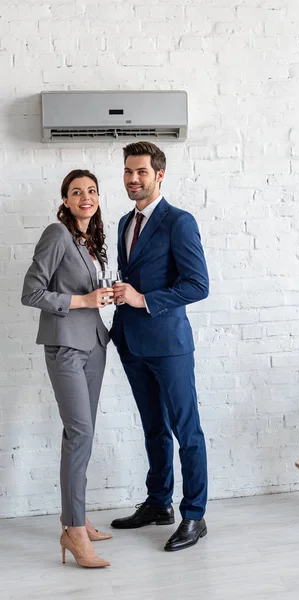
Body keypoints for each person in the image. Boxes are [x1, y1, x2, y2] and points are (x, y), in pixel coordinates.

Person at [110, 141, 209, 552]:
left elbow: (198, 284)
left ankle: (194, 515)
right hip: (131, 341)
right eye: (129, 172)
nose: (134, 179)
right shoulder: (122, 222)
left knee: (185, 429)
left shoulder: (178, 222)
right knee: (153, 427)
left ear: (159, 175)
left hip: (168, 344)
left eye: (142, 173)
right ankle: (158, 503)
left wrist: (144, 299)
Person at [21, 169, 113, 568]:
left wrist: (104, 297)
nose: (86, 197)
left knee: (81, 436)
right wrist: (83, 301)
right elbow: (32, 291)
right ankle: (74, 532)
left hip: (94, 345)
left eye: (91, 191)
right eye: (77, 192)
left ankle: (75, 516)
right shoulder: (57, 234)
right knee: (81, 434)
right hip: (66, 349)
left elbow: (88, 293)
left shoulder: (89, 240)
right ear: (65, 201)